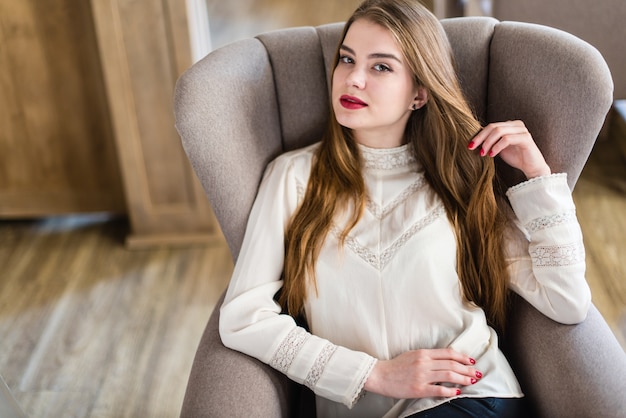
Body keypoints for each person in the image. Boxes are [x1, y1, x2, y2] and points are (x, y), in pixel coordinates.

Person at [219, 0, 591, 416]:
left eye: (381, 67)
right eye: (346, 59)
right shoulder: (293, 177)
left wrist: (538, 178)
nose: (353, 79)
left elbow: (567, 301)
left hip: (469, 397)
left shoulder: (459, 180)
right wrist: (373, 374)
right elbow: (243, 318)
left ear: (419, 93)